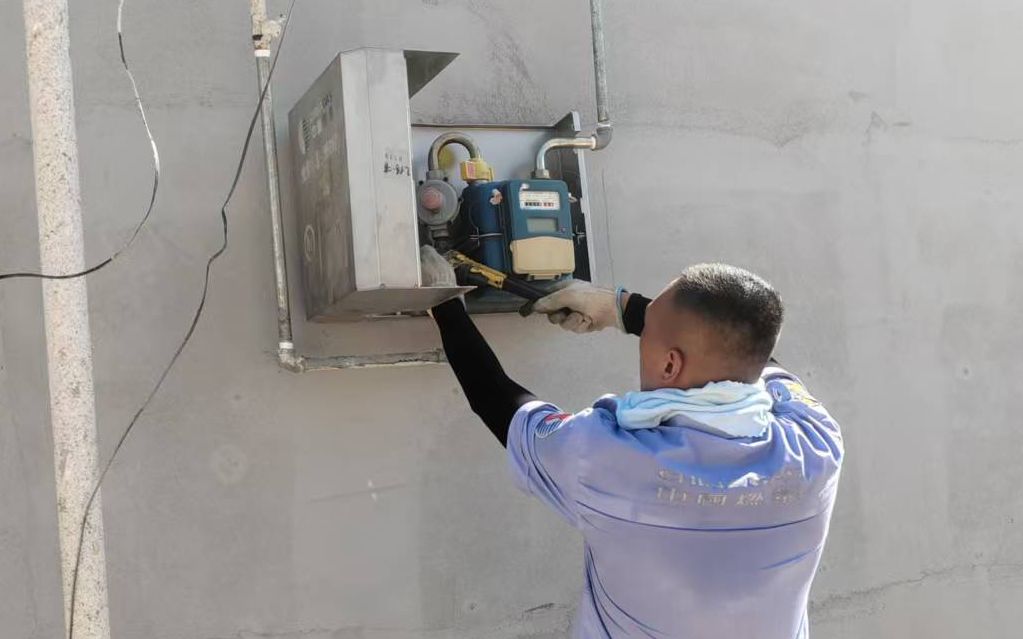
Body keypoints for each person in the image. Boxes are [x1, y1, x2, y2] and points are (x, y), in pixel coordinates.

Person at [420, 246, 843, 639]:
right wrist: (620, 309)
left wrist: (444, 302)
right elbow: (760, 359)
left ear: (670, 364)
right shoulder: (817, 445)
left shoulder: (605, 459)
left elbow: (499, 402)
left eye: (647, 336)